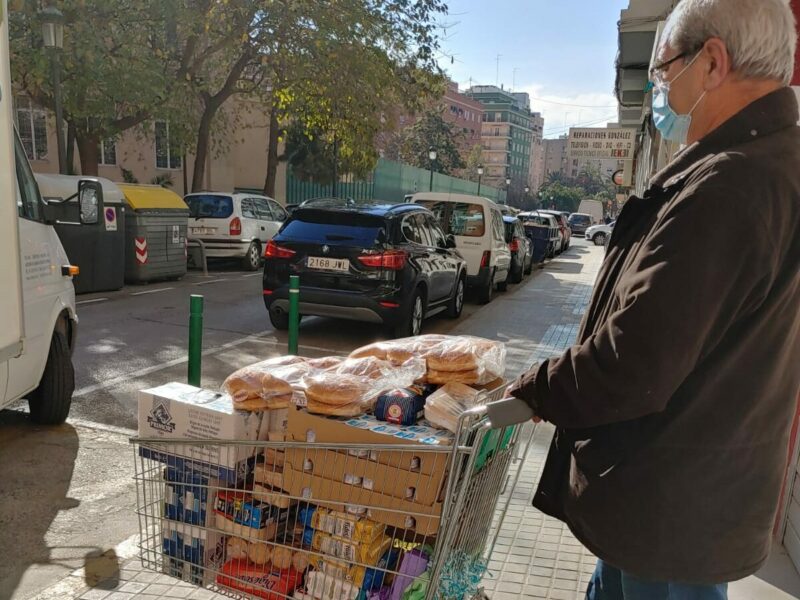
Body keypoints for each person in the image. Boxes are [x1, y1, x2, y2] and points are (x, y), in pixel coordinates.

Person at [506, 0, 800, 598]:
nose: (662, 88)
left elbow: (633, 362)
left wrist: (533, 390)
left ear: (712, 62)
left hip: (671, 507)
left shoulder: (730, 185)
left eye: (665, 71)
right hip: (678, 500)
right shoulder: (769, 164)